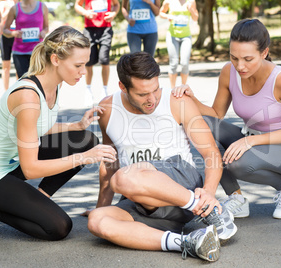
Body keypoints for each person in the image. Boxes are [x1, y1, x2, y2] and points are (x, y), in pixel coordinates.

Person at [0, 26, 117, 241]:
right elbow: (31, 169)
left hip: (12, 165)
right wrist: (85, 158)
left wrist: (76, 126)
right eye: (78, 65)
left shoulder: (54, 85)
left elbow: (37, 127)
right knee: (59, 227)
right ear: (56, 59)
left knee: (85, 140)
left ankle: (36, 202)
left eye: (85, 64)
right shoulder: (28, 96)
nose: (83, 71)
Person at [86, 52, 237, 262]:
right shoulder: (108, 110)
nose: (152, 99)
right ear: (123, 87)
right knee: (97, 221)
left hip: (181, 180)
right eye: (142, 94)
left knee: (123, 177)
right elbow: (110, 162)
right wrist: (103, 205)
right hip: (141, 197)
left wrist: (209, 195)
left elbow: (210, 152)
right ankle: (188, 243)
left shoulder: (177, 101)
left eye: (155, 89)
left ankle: (207, 210)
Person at [172, 19, 281, 219]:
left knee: (237, 163)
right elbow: (215, 114)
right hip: (254, 139)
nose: (240, 66)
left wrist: (249, 141)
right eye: (234, 57)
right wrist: (191, 98)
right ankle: (237, 199)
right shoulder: (229, 72)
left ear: (264, 53)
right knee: (201, 125)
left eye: (248, 59)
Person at [74, 0, 120, 106]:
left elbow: (116, 4)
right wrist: (86, 13)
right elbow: (77, 5)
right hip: (89, 30)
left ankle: (104, 90)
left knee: (104, 59)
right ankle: (88, 90)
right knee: (89, 61)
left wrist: (113, 13)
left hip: (106, 29)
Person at [3, 0, 49, 78]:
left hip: (37, 52)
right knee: (24, 81)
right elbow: (5, 30)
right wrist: (13, 33)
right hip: (20, 53)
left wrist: (43, 32)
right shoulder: (15, 8)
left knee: (38, 80)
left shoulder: (43, 7)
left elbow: (46, 27)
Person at [160, 0, 198, 88]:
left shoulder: (191, 1)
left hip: (186, 36)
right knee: (173, 63)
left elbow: (195, 18)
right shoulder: (168, 1)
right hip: (172, 35)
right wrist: (167, 16)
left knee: (184, 63)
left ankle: (183, 88)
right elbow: (161, 13)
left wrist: (191, 10)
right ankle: (172, 89)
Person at [0, 0, 18, 90]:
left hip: (18, 36)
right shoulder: (3, 3)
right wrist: (10, 9)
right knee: (6, 66)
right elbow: (0, 18)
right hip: (6, 36)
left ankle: (18, 89)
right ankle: (6, 92)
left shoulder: (22, 3)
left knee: (19, 65)